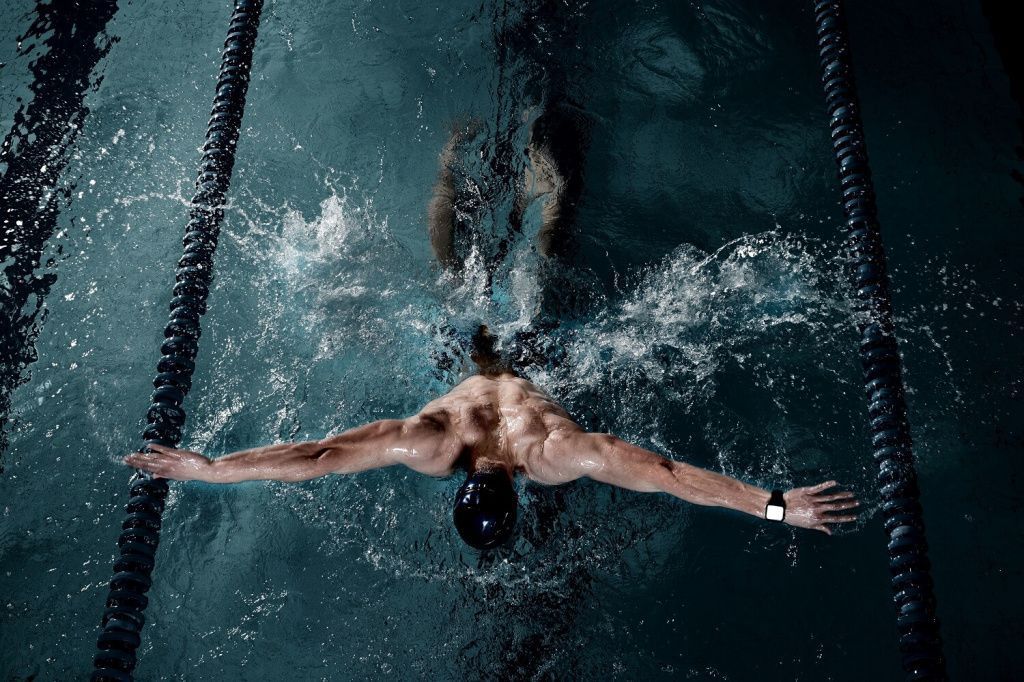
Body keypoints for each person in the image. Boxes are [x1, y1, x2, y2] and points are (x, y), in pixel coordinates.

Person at [124, 117, 860, 550]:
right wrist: (208, 467)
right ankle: (467, 162)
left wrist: (776, 505)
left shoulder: (544, 454)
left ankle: (476, 163)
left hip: (527, 353)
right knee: (460, 271)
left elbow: (669, 477)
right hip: (470, 350)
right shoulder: (436, 443)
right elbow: (314, 454)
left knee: (526, 252)